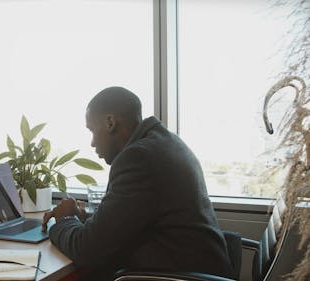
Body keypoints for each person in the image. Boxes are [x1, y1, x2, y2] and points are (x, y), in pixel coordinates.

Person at [42, 86, 233, 280]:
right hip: (193, 269)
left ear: (110, 122)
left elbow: (87, 251)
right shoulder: (165, 143)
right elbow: (135, 218)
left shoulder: (138, 157)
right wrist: (86, 218)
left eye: (92, 130)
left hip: (178, 276)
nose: (92, 143)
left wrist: (65, 221)